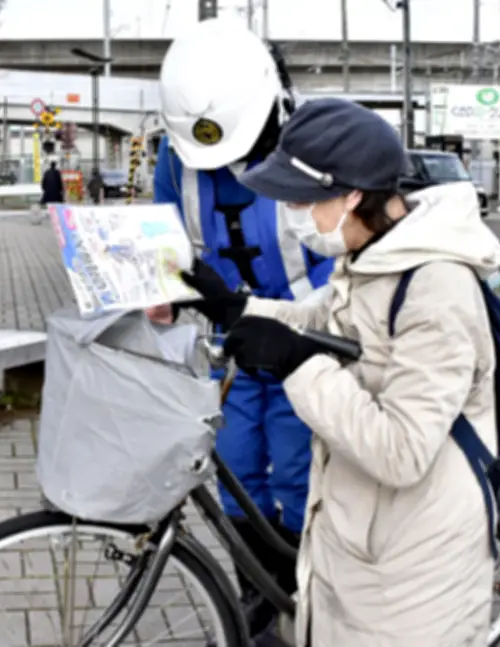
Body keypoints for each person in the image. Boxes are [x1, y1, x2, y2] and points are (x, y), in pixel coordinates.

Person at [180, 97, 500, 646]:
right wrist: (235, 308)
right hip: (364, 537)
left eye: (303, 200)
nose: (291, 213)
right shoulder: (373, 255)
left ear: (352, 195)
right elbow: (316, 318)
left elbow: (402, 450)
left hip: (414, 569)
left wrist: (298, 362)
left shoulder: (437, 288)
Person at [152, 17, 334, 639]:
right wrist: (163, 291)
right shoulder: (176, 155)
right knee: (232, 471)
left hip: (305, 343)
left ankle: (299, 599)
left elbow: (345, 249)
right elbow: (167, 234)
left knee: (297, 473)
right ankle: (257, 598)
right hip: (231, 343)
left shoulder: (313, 142)